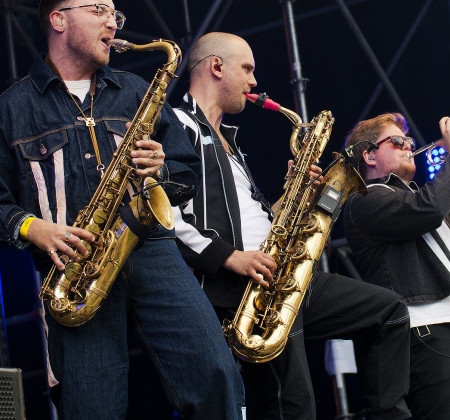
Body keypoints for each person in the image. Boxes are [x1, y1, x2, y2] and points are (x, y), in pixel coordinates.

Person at [0, 0, 245, 419]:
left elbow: (186, 172)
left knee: (216, 376)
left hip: (152, 250)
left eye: (115, 13)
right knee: (92, 407)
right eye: (98, 10)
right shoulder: (8, 111)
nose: (112, 23)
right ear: (58, 20)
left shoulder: (135, 91)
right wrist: (35, 229)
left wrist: (162, 168)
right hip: (75, 271)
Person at [172, 32, 412, 420]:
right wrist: (229, 257)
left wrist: (296, 194)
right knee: (293, 403)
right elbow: (164, 212)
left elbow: (255, 218)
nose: (254, 82)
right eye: (247, 69)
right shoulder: (177, 123)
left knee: (390, 312)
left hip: (278, 270)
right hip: (242, 286)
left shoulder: (231, 142)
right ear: (217, 67)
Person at [342, 113, 450, 420]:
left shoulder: (422, 196)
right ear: (369, 154)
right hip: (425, 325)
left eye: (410, 142)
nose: (408, 147)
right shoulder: (363, 201)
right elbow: (427, 211)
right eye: (397, 141)